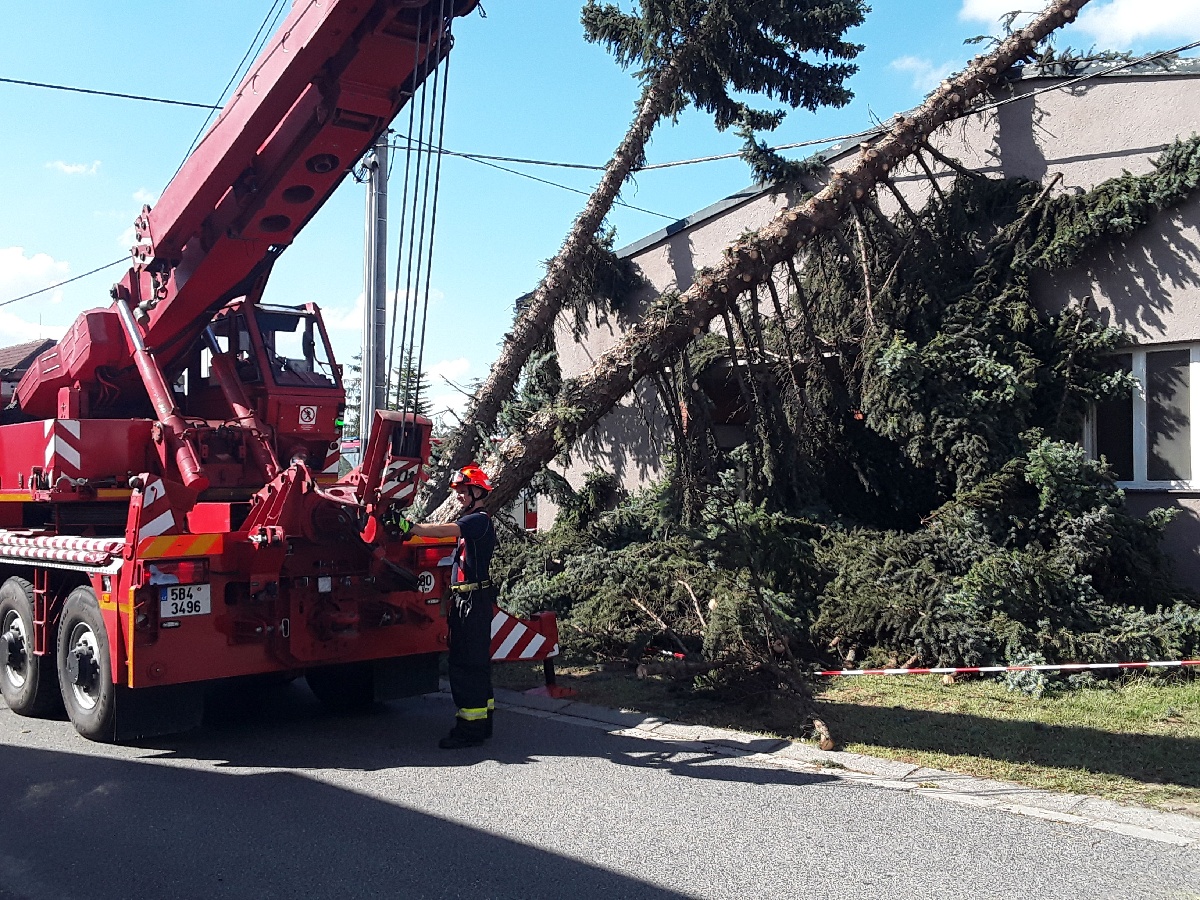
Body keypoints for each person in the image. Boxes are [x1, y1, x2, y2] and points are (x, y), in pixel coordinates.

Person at [400, 464, 497, 749]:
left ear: (477, 491)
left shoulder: (477, 520)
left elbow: (443, 530)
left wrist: (412, 527)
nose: (457, 497)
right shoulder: (476, 520)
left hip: (471, 603)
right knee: (476, 665)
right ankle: (481, 724)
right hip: (471, 601)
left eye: (462, 491)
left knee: (465, 665)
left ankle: (469, 730)